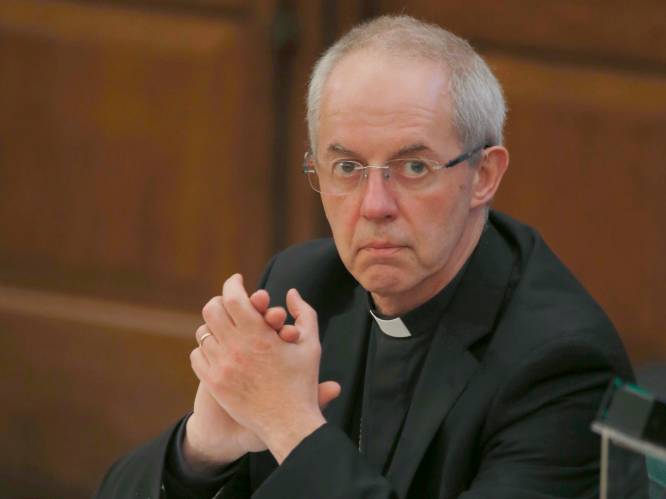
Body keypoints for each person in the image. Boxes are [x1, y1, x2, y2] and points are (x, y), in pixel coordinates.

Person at [95, 15, 644, 499]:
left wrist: (291, 427)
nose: (374, 206)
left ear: (483, 175)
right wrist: (201, 450)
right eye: (347, 168)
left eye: (413, 168)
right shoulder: (303, 287)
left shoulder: (560, 365)